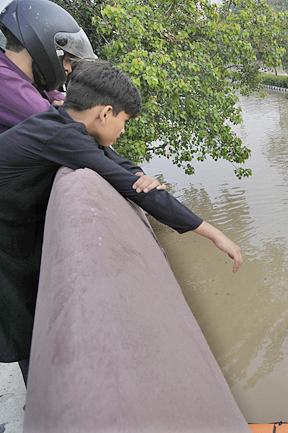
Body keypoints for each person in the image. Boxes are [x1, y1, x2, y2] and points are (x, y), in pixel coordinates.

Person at [0, 62, 243, 385]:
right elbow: (133, 188)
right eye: (124, 122)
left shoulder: (61, 123)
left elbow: (118, 164)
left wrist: (140, 174)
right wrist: (215, 235)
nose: (124, 132)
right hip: (7, 235)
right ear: (105, 113)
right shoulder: (65, 137)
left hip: (15, 227)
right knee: (21, 326)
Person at [0, 0, 97, 134]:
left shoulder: (22, 77)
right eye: (67, 59)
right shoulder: (4, 81)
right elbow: (63, 127)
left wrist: (64, 107)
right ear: (41, 50)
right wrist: (66, 112)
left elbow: (56, 97)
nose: (68, 68)